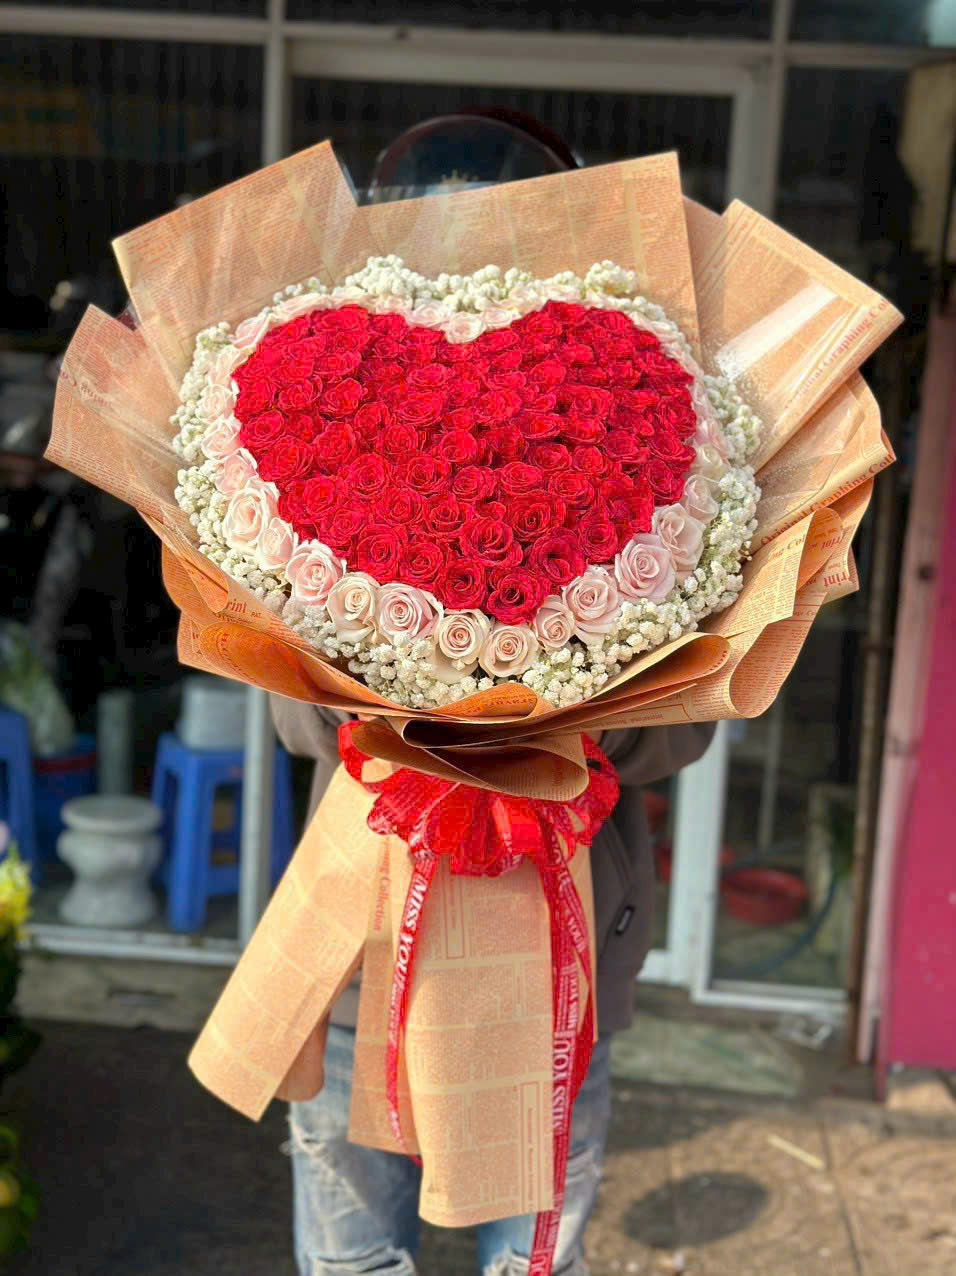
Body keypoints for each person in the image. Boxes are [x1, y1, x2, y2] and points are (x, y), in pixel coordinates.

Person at [271, 114, 716, 1276]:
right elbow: (286, 712)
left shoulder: (647, 431)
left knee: (530, 1263)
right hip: (366, 939)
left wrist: (563, 712)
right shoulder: (330, 430)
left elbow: (689, 726)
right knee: (353, 1259)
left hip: (558, 955)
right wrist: (383, 700)